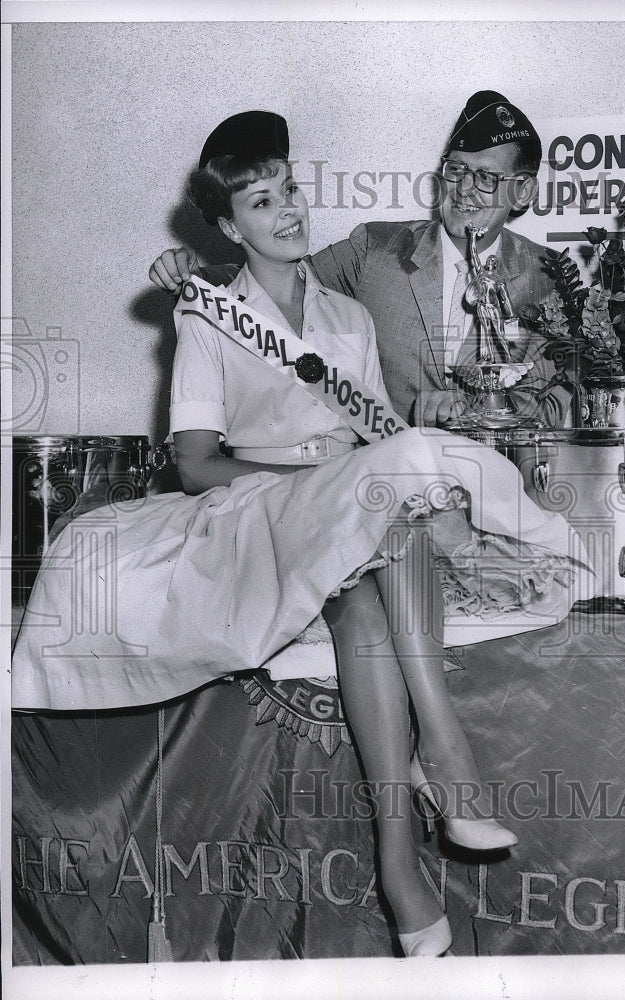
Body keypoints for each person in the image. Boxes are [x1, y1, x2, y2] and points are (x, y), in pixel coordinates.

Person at [13, 111, 592, 958]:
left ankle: (399, 863)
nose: (287, 211)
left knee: (365, 586)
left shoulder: (349, 321)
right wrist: (316, 487)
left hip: (351, 521)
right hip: (253, 511)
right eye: (260, 200)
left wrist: (388, 501)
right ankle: (448, 753)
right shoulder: (210, 315)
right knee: (375, 506)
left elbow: (375, 451)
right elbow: (198, 463)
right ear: (226, 224)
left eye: (290, 191)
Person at [149, 91, 570, 429]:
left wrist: (478, 412)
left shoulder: (552, 279)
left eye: (486, 177)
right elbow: (284, 278)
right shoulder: (377, 247)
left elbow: (556, 403)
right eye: (456, 170)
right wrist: (195, 275)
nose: (463, 189)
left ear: (523, 192)